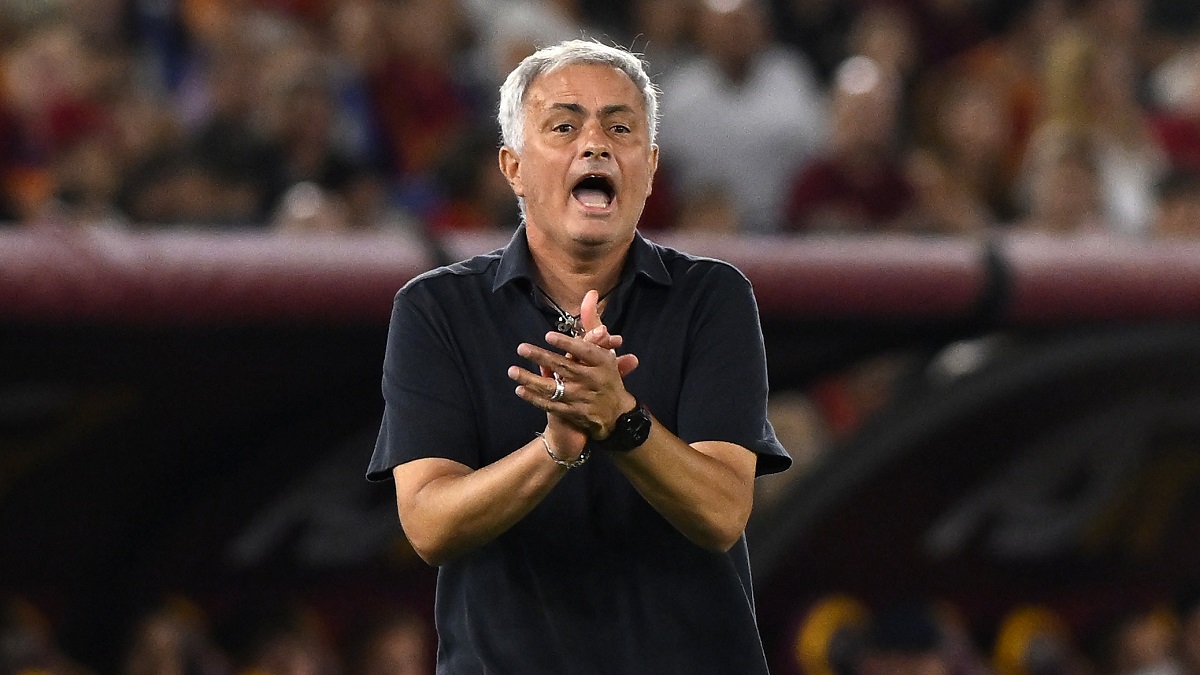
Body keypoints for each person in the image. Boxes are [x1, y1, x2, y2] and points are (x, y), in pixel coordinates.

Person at [366, 39, 791, 673]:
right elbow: (429, 525)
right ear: (513, 167)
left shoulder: (714, 297)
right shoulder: (436, 310)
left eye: (620, 128)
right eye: (564, 126)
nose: (595, 144)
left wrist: (622, 421)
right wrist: (554, 450)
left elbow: (723, 511)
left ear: (649, 166)